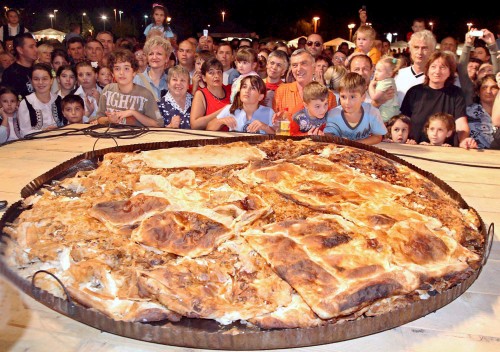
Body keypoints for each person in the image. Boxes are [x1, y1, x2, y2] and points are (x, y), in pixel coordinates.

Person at [401, 51, 477, 149]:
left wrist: (463, 141)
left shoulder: (456, 93)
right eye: (433, 67)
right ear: (427, 70)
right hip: (414, 147)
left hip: (445, 149)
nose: (437, 71)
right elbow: (403, 121)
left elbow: (461, 124)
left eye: (442, 67)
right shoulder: (414, 92)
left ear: (450, 72)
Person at [94, 49, 164, 127]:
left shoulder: (146, 95)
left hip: (137, 137)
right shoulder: (107, 90)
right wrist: (109, 120)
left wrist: (133, 113)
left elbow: (158, 124)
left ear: (134, 72)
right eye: (117, 69)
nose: (121, 73)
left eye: (126, 69)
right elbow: (99, 118)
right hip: (112, 136)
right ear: (112, 73)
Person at [322, 72, 387, 145]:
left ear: (363, 97)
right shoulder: (332, 115)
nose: (347, 102)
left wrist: (354, 144)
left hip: (364, 153)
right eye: (343, 97)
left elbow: (377, 137)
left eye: (352, 97)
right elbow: (328, 135)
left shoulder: (372, 112)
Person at [209, 75, 274, 134]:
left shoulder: (269, 112)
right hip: (236, 146)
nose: (247, 91)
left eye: (253, 88)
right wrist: (221, 121)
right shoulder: (231, 109)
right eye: (244, 87)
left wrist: (265, 127)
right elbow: (209, 128)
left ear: (260, 97)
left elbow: (278, 136)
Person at [18, 63, 66, 137]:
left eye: (45, 79)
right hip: (35, 143)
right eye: (36, 79)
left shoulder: (59, 100)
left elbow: (66, 124)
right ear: (31, 81)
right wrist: (43, 131)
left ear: (51, 80)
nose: (40, 82)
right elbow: (24, 132)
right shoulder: (26, 103)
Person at [395, 30, 436, 104]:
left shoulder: (437, 77)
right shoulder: (399, 74)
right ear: (410, 50)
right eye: (416, 47)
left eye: (424, 48)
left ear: (432, 51)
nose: (420, 52)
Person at [190, 58, 231, 130]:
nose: (216, 76)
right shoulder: (200, 94)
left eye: (219, 72)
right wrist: (223, 111)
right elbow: (195, 124)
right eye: (211, 73)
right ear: (204, 77)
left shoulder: (230, 90)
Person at [133, 35, 171, 102]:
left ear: (167, 58)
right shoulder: (136, 80)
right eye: (151, 54)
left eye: (159, 54)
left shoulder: (171, 81)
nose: (154, 57)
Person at [1, 33, 37, 100]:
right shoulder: (10, 73)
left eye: (35, 46)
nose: (36, 50)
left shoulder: (38, 69)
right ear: (20, 50)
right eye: (31, 47)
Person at [466, 74, 499, 148]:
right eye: (484, 88)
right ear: (478, 92)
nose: (489, 91)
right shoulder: (468, 113)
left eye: (494, 87)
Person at [368, 56, 403, 122]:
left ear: (389, 74)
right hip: (390, 113)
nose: (375, 73)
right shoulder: (389, 81)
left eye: (379, 71)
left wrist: (370, 86)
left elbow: (374, 97)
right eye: (375, 70)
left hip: (386, 114)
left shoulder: (385, 83)